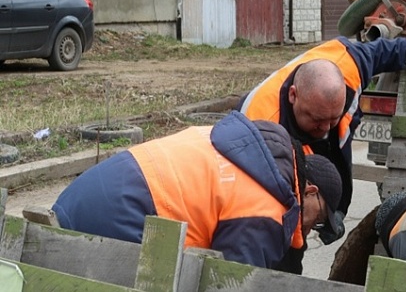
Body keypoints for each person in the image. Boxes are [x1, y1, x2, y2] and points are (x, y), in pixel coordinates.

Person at [52, 111, 342, 270]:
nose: (309, 228)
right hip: (123, 215)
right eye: (317, 219)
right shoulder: (266, 208)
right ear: (310, 191)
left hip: (81, 198)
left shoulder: (250, 149)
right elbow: (229, 281)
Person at [238, 35, 406, 247]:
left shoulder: (348, 65)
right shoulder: (259, 127)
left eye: (333, 119)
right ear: (293, 96)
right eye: (318, 119)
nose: (327, 128)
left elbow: (377, 53)